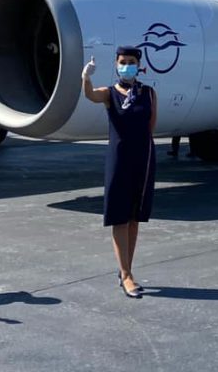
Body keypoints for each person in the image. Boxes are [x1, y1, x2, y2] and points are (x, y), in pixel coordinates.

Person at [82, 47, 157, 299]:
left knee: (135, 217)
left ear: (139, 65)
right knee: (119, 217)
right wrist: (86, 78)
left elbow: (150, 125)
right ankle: (125, 274)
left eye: (132, 62)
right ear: (116, 65)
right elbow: (90, 96)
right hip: (119, 159)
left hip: (143, 158)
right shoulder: (110, 93)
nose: (127, 66)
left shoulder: (148, 93)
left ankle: (127, 269)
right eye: (123, 62)